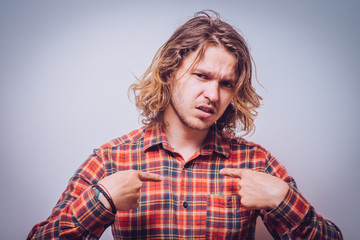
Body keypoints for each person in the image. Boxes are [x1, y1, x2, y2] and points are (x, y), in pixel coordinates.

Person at [27, 11, 343, 239]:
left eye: (226, 84)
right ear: (169, 73)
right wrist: (102, 202)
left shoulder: (255, 162)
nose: (213, 94)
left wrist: (282, 200)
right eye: (201, 76)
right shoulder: (111, 159)